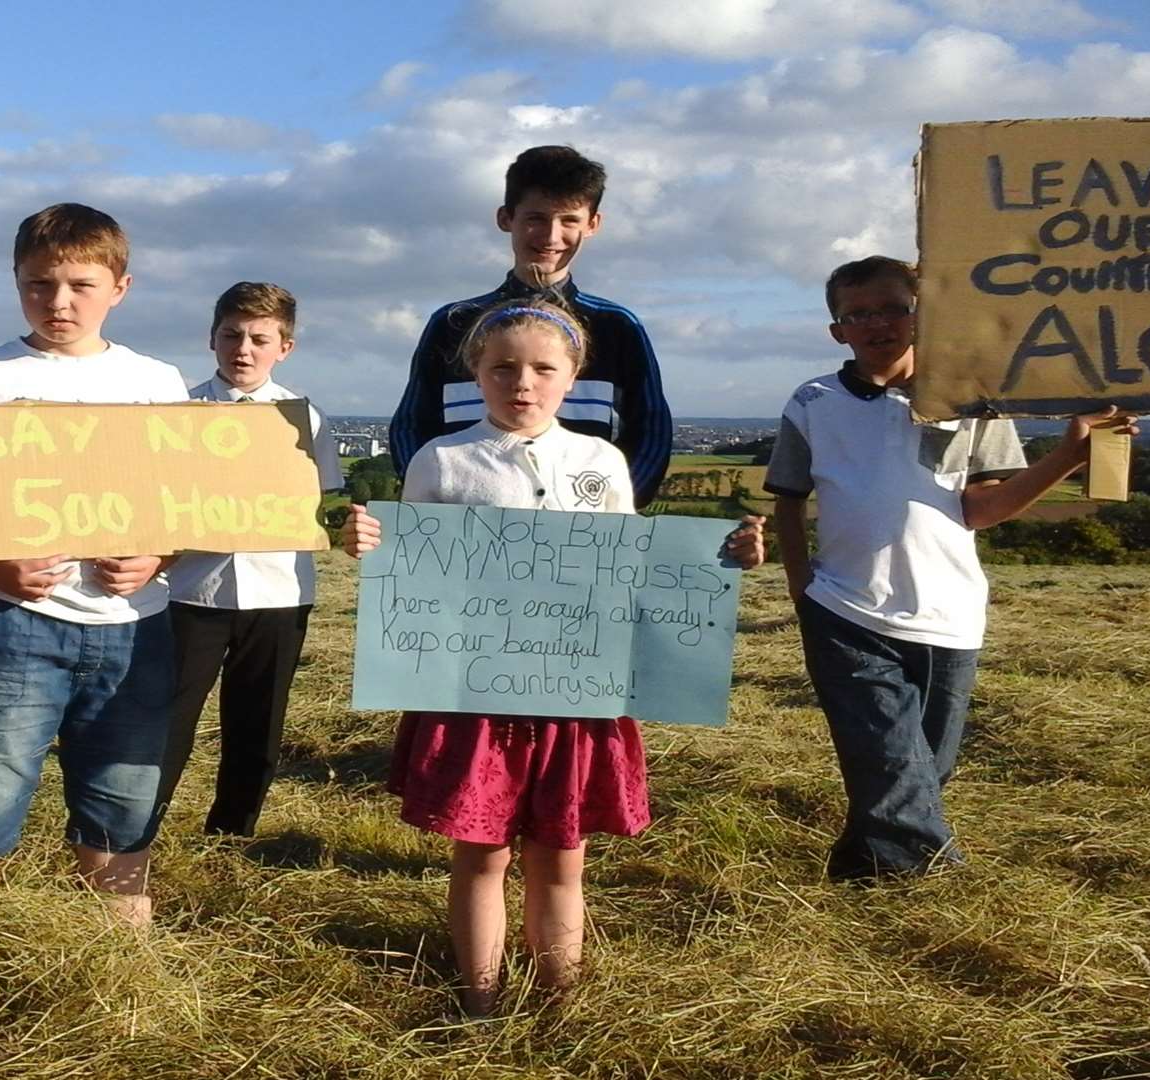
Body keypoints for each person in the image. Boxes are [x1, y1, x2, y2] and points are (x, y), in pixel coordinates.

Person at [344, 299, 762, 1016]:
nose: (523, 383)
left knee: (563, 857)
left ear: (574, 377)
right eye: (503, 367)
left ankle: (557, 1001)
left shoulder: (602, 460)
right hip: (474, 699)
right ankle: (479, 1002)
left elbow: (634, 571)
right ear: (476, 372)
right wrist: (373, 548)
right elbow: (417, 574)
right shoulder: (442, 460)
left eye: (543, 368)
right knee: (481, 856)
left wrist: (725, 558)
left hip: (578, 699)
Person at [764, 255, 1138, 882]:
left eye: (893, 308)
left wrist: (1070, 457)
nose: (877, 323)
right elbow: (788, 498)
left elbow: (981, 508)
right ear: (838, 331)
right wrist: (801, 583)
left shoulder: (974, 397)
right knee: (889, 763)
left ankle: (858, 875)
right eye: (858, 314)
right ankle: (939, 890)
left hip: (949, 617)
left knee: (917, 772)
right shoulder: (812, 402)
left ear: (921, 315)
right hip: (843, 610)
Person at [0, 203, 187, 926]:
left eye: (80, 285)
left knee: (124, 803)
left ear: (120, 288)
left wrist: (159, 554)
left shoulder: (159, 382)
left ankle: (119, 981)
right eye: (39, 284)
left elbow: (190, 503)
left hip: (135, 627)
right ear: (16, 281)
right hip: (6, 624)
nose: (59, 302)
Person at [155, 282, 343, 836]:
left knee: (258, 723)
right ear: (211, 338)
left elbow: (326, 503)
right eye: (232, 335)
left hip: (279, 590)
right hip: (190, 589)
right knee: (169, 717)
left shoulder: (307, 419)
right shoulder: (178, 411)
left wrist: (350, 526)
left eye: (260, 339)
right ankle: (139, 825)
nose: (243, 349)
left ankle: (233, 830)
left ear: (284, 347)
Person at [387, 144, 671, 506]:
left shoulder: (618, 326)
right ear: (506, 218)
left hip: (586, 539)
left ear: (593, 224)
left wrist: (608, 512)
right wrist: (435, 511)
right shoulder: (452, 323)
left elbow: (652, 433)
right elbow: (412, 426)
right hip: (467, 538)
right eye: (535, 218)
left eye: (569, 220)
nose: (551, 236)